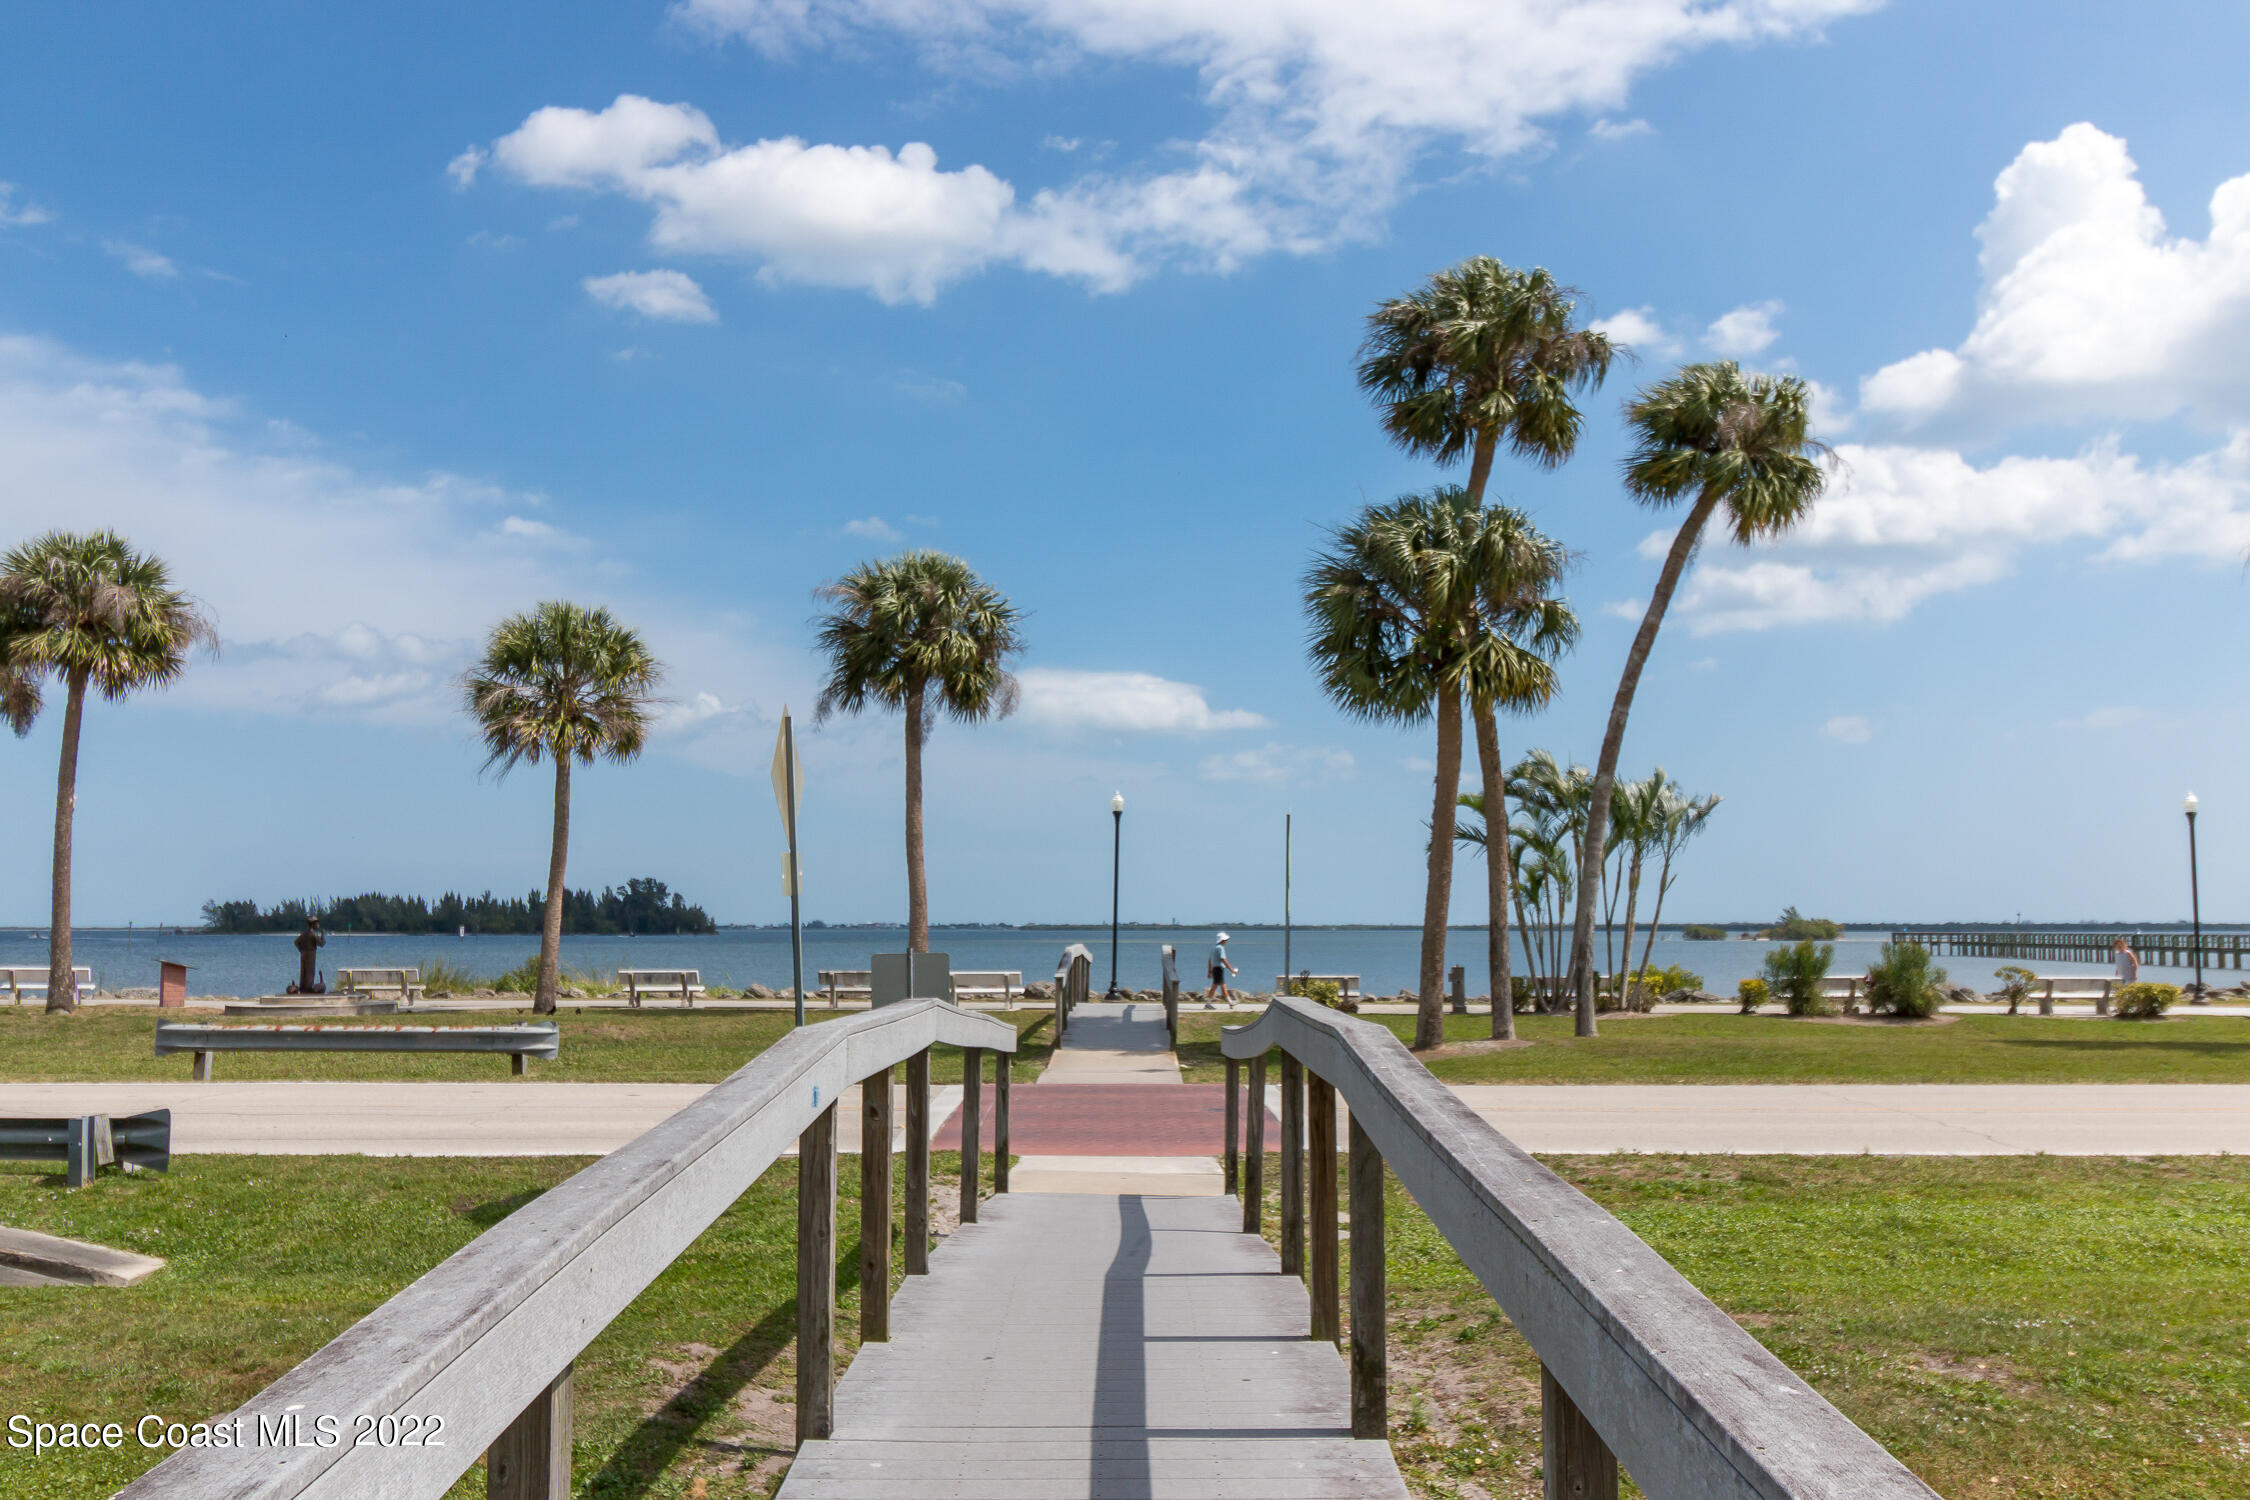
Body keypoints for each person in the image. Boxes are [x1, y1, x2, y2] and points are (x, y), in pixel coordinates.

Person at [291, 915, 326, 995]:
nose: (318, 925)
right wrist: (323, 934)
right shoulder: (313, 934)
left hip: (303, 953)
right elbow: (322, 944)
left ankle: (303, 988)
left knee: (303, 971)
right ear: (313, 924)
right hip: (311, 953)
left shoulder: (304, 934)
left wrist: (301, 949)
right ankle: (308, 988)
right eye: (317, 923)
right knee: (310, 971)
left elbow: (296, 942)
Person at [1205, 931, 1238, 1004]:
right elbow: (1223, 959)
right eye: (1225, 940)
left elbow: (1210, 960)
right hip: (1219, 969)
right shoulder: (1221, 948)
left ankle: (1229, 1002)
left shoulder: (1213, 948)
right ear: (1222, 940)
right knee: (1221, 986)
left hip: (1214, 969)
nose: (1226, 941)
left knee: (1218, 986)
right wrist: (1232, 970)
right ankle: (1230, 1002)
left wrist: (1209, 971)